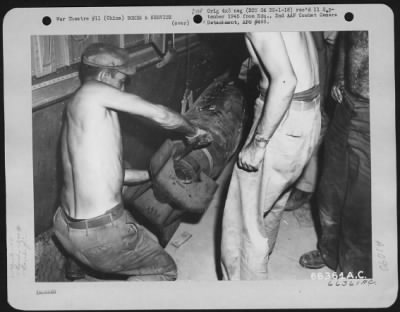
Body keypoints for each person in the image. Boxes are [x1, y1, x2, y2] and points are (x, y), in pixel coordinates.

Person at [52, 43, 212, 281]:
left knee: (142, 242)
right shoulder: (95, 92)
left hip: (64, 227)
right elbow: (162, 115)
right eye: (121, 80)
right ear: (104, 75)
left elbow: (114, 175)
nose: (123, 87)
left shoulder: (77, 108)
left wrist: (152, 174)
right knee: (165, 270)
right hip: (100, 234)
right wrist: (193, 132)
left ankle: (79, 278)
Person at [221, 32, 321, 280]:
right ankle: (261, 261)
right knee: (273, 203)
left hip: (282, 117)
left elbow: (285, 81)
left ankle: (243, 296)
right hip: (307, 114)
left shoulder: (256, 14)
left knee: (241, 223)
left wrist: (258, 144)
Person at [299, 31, 372, 278]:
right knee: (330, 191)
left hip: (376, 115)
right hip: (347, 104)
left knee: (362, 208)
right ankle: (330, 252)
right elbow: (347, 38)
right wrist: (340, 75)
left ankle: (353, 274)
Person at [285, 31, 338, 211]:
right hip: (306, 57)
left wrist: (320, 96)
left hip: (331, 54)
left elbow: (320, 50)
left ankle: (305, 187)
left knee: (317, 125)